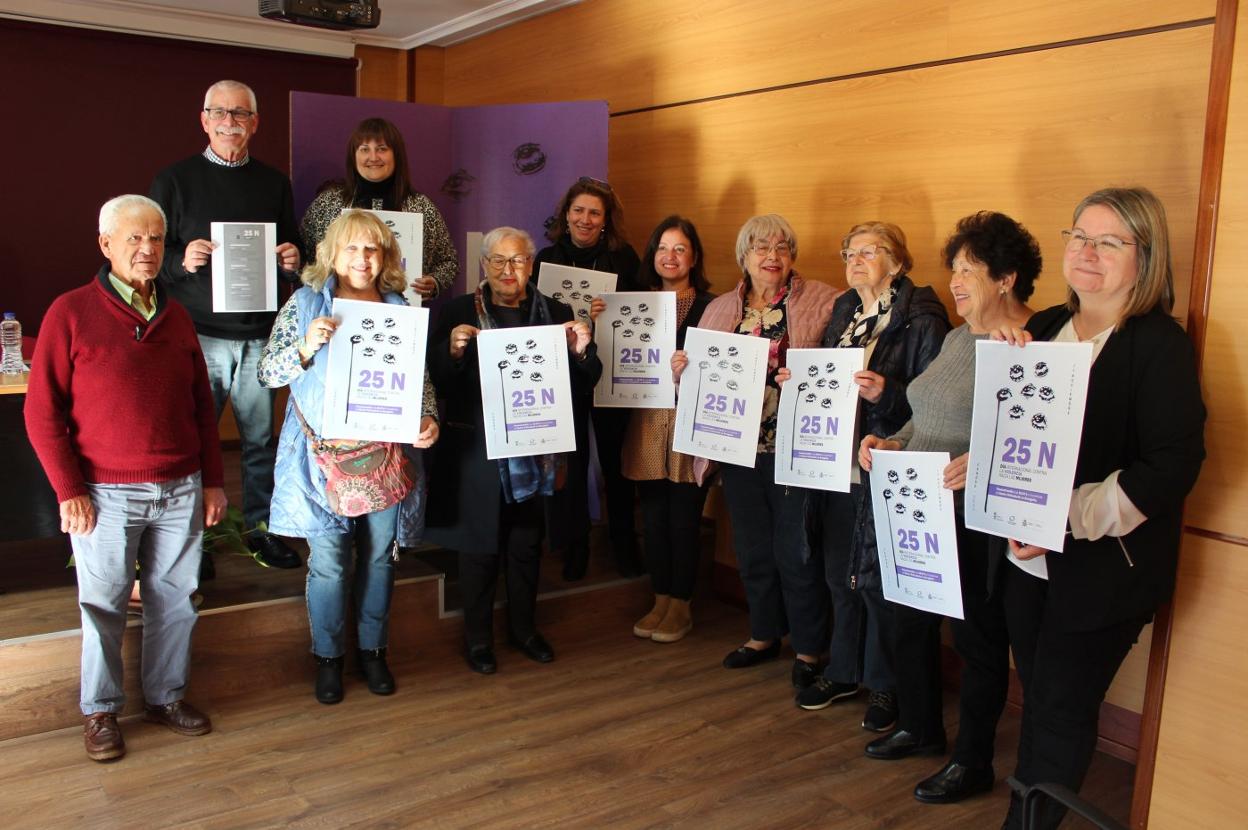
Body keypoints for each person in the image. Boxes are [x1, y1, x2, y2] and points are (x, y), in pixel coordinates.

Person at [997, 187, 1204, 829]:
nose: (1087, 252)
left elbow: (1172, 465)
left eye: (1110, 242)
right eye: (1079, 237)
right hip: (1028, 562)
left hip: (1106, 569)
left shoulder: (1157, 345)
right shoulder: (1040, 331)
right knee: (1040, 697)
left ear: (1145, 257)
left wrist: (1064, 516)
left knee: (1060, 705)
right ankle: (1028, 813)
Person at [25, 194, 226, 762]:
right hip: (104, 492)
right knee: (103, 605)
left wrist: (212, 479)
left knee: (176, 599)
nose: (147, 249)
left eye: (156, 239)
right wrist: (69, 490)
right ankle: (101, 712)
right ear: (105, 244)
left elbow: (201, 407)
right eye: (134, 238)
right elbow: (41, 414)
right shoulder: (70, 312)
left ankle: (165, 698)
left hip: (180, 485)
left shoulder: (177, 314)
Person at [857, 213, 1041, 806]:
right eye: (954, 270)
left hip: (978, 517)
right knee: (908, 619)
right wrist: (894, 442)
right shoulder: (961, 337)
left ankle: (973, 761)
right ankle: (921, 725)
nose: (956, 283)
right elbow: (926, 412)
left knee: (978, 640)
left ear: (1007, 278)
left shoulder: (1032, 346)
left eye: (970, 271)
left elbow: (1033, 444)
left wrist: (977, 464)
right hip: (922, 502)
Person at [258, 210, 440, 704]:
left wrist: (428, 421)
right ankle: (328, 658)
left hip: (384, 454)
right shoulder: (304, 303)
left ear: (385, 257)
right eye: (352, 248)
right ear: (332, 254)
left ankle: (374, 651)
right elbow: (267, 374)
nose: (362, 259)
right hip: (322, 459)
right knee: (331, 563)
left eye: (372, 249)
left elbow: (419, 385)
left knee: (380, 558)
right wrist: (304, 346)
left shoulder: (400, 307)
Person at [786, 223, 949, 735]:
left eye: (868, 252)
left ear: (897, 262)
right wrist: (799, 382)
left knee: (879, 581)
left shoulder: (922, 317)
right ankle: (844, 670)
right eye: (848, 252)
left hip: (886, 460)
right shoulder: (844, 310)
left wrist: (887, 394)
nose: (855, 260)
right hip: (835, 459)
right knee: (840, 573)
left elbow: (933, 407)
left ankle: (886, 683)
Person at [673, 214, 840, 691]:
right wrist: (683, 369)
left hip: (794, 448)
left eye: (783, 248)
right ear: (744, 256)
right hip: (738, 448)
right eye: (762, 248)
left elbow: (840, 362)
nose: (773, 257)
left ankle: (809, 647)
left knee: (797, 550)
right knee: (752, 547)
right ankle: (764, 634)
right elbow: (699, 379)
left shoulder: (823, 301)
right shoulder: (722, 308)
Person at [426, 227, 602, 674]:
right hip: (478, 451)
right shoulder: (459, 310)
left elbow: (587, 382)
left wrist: (581, 351)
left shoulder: (555, 313)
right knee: (479, 550)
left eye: (519, 261)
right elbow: (438, 382)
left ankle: (524, 631)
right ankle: (478, 640)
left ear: (531, 265)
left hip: (535, 451)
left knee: (526, 546)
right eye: (500, 261)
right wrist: (452, 350)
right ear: (484, 265)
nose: (509, 270)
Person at [149, 79, 303, 572]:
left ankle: (260, 532)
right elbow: (151, 254)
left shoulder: (274, 183)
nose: (230, 122)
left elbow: (295, 248)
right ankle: (197, 543)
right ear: (204, 119)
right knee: (193, 441)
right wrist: (182, 259)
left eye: (241, 115)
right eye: (221, 112)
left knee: (260, 442)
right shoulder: (174, 180)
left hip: (260, 334)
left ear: (255, 124)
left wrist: (291, 258)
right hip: (198, 334)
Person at [534, 177, 643, 579]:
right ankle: (574, 546)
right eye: (578, 210)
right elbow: (536, 316)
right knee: (574, 464)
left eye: (594, 212)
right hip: (567, 375)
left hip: (615, 371)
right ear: (565, 214)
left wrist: (610, 311)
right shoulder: (545, 257)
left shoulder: (624, 259)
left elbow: (641, 317)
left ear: (605, 220)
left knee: (616, 464)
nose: (585, 218)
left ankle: (623, 544)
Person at [615, 216, 716, 643]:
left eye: (679, 248)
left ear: (693, 256)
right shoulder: (634, 302)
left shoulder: (714, 305)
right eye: (662, 248)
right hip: (645, 420)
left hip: (692, 422)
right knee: (653, 516)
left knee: (684, 518)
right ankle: (659, 598)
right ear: (651, 255)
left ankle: (682, 604)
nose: (669, 257)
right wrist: (604, 320)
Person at [299, 117, 458, 301]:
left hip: (402, 312)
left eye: (382, 149)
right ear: (354, 155)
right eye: (364, 149)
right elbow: (304, 257)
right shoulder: (328, 204)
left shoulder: (421, 207)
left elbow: (449, 262)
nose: (373, 157)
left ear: (396, 154)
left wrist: (435, 282)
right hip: (335, 312)